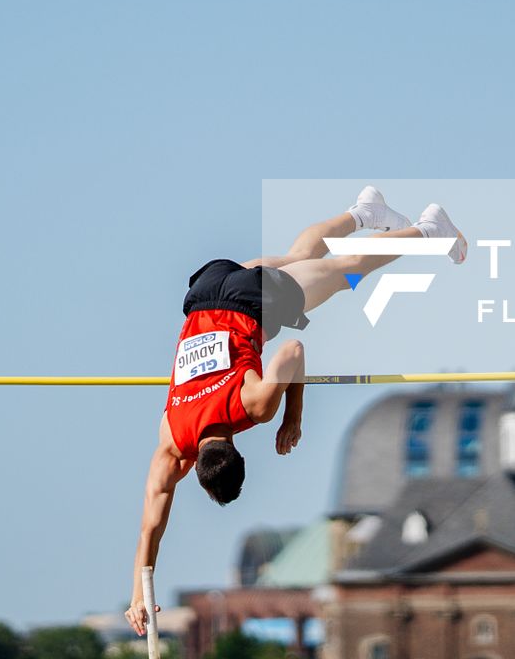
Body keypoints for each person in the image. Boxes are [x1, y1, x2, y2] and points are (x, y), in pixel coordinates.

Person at [124, 187, 467, 637]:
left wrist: (291, 416)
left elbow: (293, 350)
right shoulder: (172, 436)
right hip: (209, 291)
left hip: (255, 301)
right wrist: (138, 592)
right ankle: (363, 214)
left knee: (349, 270)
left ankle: (429, 229)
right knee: (302, 254)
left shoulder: (251, 408)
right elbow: (149, 523)